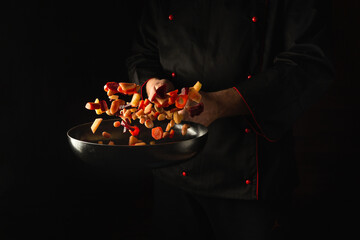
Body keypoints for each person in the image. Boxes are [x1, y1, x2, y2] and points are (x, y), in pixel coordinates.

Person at [127, 0, 333, 239]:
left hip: (248, 177)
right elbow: (143, 53)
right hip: (173, 163)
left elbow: (309, 63)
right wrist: (153, 84)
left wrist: (220, 103)